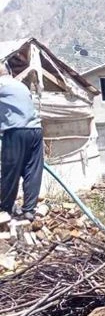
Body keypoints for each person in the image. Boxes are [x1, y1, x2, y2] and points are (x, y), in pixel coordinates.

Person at [0, 63, 43, 220]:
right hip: (35, 130)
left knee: (11, 170)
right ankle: (29, 210)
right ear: (9, 72)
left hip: (16, 131)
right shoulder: (21, 86)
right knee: (33, 170)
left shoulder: (1, 85)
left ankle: (5, 209)